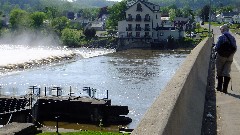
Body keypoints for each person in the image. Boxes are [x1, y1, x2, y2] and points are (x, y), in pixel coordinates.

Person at [215, 24, 237, 93]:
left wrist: (214, 48)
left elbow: (217, 47)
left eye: (221, 29)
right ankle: (225, 89)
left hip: (221, 56)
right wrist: (230, 54)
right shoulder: (232, 37)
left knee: (219, 71)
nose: (220, 31)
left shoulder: (221, 37)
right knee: (226, 72)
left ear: (223, 30)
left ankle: (219, 87)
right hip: (230, 56)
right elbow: (235, 47)